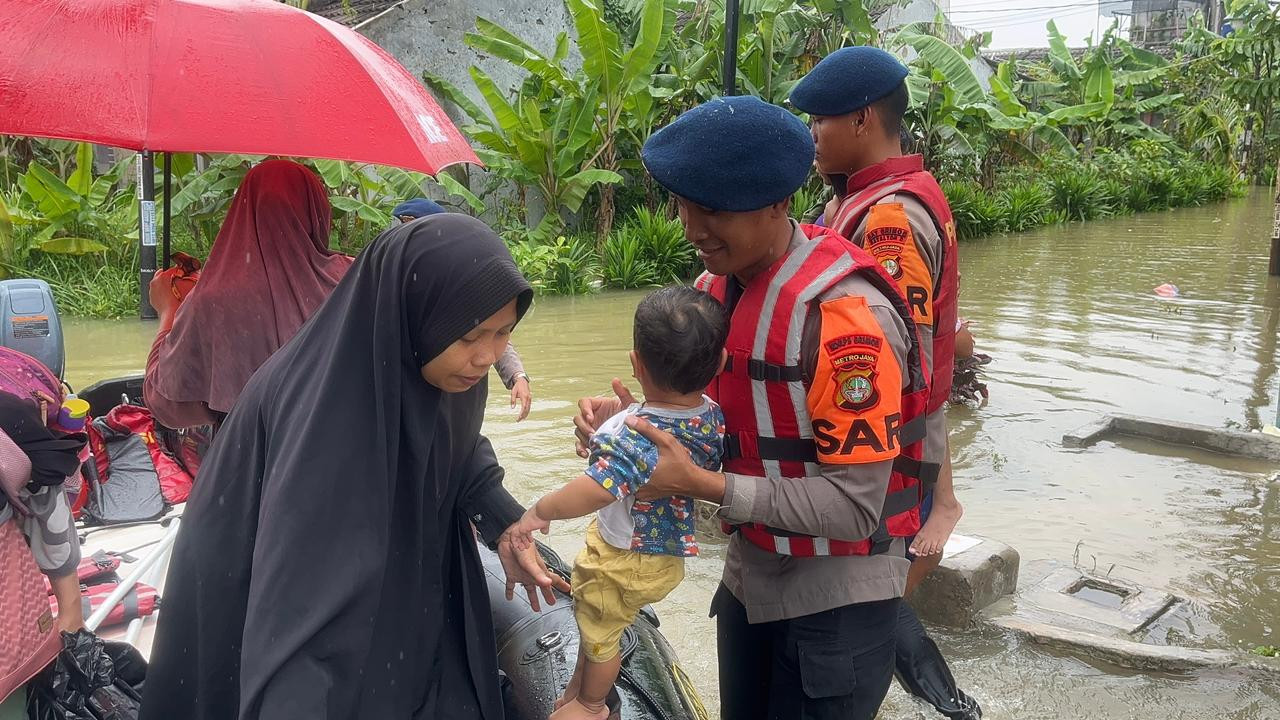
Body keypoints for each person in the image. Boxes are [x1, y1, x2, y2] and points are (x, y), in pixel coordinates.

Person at [574, 96, 933, 720]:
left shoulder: (845, 320)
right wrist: (645, 424)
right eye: (684, 204)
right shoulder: (714, 292)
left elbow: (854, 508)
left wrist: (699, 483)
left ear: (778, 203)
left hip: (835, 605)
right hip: (750, 583)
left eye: (713, 209)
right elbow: (725, 418)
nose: (692, 228)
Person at [140, 214, 570, 720]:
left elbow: (458, 448)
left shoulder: (437, 367)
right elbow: (297, 622)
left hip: (380, 567)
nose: (486, 357)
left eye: (503, 334)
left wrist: (506, 524)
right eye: (472, 335)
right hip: (261, 588)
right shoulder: (329, 422)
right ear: (416, 315)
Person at [792, 47, 981, 720]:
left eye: (820, 121)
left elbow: (883, 361)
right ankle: (955, 706)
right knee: (871, 596)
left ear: (864, 118)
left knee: (861, 594)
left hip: (881, 449)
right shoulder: (864, 198)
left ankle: (956, 708)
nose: (812, 134)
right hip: (896, 447)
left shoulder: (889, 217)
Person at [511, 286, 727, 720]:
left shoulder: (633, 438)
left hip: (631, 556)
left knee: (601, 626)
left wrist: (540, 510)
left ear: (636, 363)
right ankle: (579, 686)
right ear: (720, 364)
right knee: (596, 618)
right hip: (660, 553)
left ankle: (592, 705)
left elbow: (597, 489)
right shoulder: (711, 415)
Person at [144, 159, 353, 430]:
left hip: (255, 463)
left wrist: (169, 311)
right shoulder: (354, 278)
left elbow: (166, 403)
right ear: (317, 213)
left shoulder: (213, 300)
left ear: (241, 211)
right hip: (344, 451)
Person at [393, 197, 535, 421]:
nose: (485, 359)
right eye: (466, 337)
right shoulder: (389, 290)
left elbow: (490, 329)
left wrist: (518, 376)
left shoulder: (462, 280)